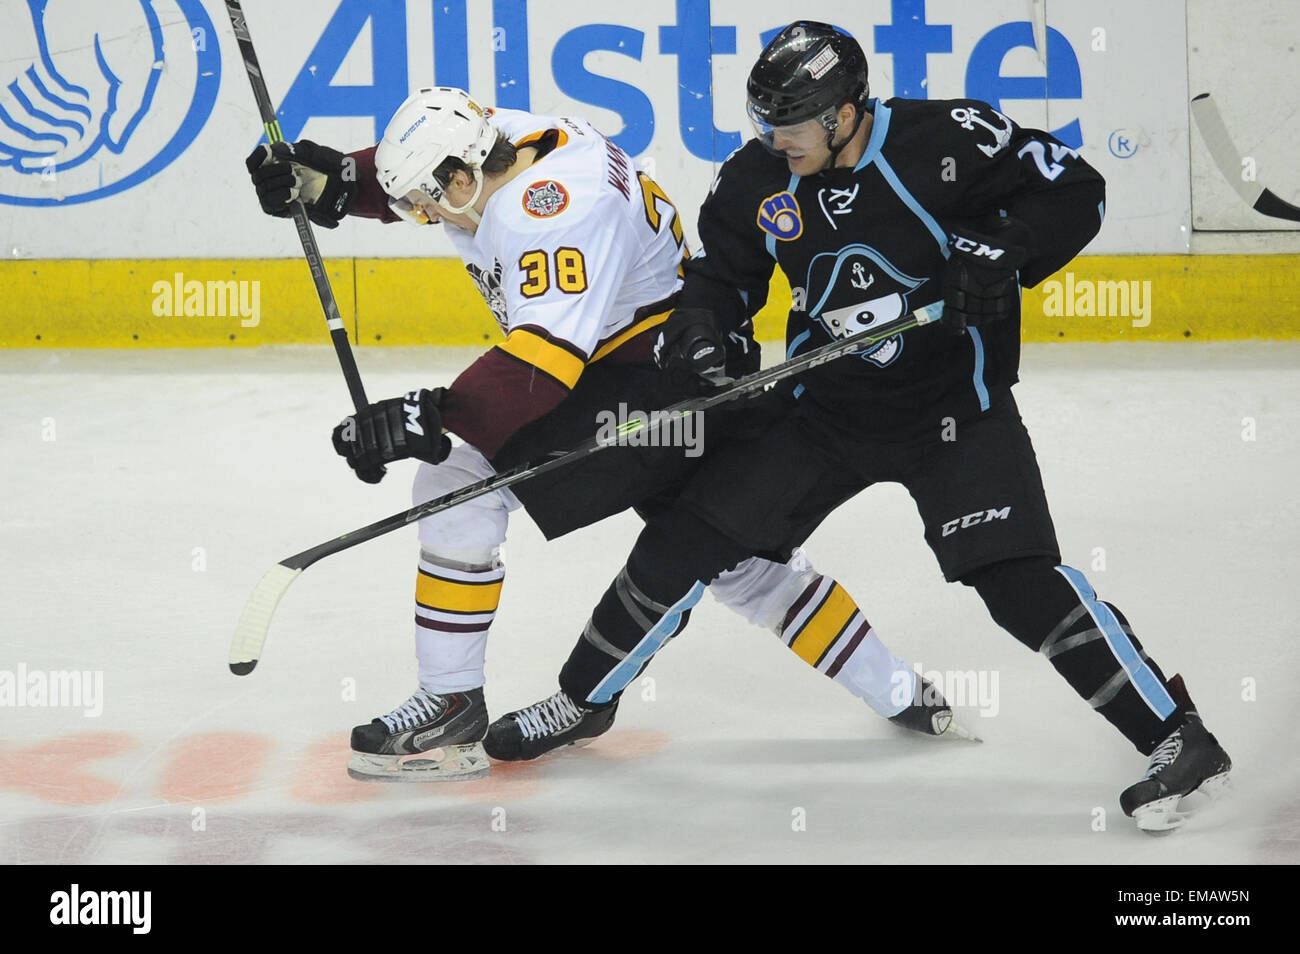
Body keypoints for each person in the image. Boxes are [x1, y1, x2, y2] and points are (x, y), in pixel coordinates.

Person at [505, 22, 1232, 832]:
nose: (775, 139)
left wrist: (1005, 249)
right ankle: (583, 700)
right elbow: (720, 279)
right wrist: (703, 328)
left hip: (955, 409)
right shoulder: (759, 179)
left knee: (1015, 581)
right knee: (686, 539)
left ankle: (1178, 736)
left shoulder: (947, 139)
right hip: (824, 411)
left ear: (848, 110)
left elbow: (1077, 190)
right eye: (765, 120)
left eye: (794, 122)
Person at [245, 87, 973, 781]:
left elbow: (539, 371)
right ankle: (904, 694)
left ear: (464, 177)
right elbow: (426, 163)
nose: (425, 217)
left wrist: (428, 420)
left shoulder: (554, 211)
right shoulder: (513, 138)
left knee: (454, 477)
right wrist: (334, 181)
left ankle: (451, 703)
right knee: (738, 561)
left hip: (656, 386)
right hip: (681, 358)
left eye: (427, 205)